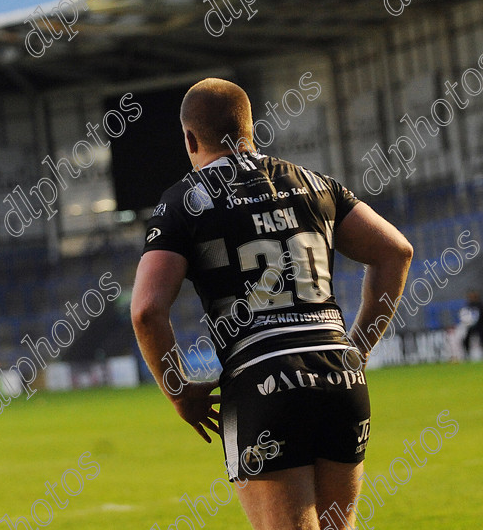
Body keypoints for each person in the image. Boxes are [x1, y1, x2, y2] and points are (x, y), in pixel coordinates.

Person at [130, 78, 413, 530]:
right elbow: (395, 252)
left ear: (189, 138)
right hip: (340, 375)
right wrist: (356, 348)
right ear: (250, 128)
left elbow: (146, 309)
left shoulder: (184, 202)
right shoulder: (314, 183)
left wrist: (180, 393)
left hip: (261, 381)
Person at [461, 289, 483, 360]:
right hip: (471, 326)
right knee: (466, 340)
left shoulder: (480, 304)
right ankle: (467, 354)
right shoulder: (469, 305)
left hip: (480, 326)